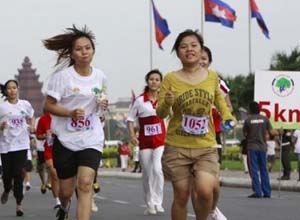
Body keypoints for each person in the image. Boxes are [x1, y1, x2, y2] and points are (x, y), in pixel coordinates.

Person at [156, 30, 234, 220]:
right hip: (177, 147)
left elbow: (220, 101)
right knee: (182, 195)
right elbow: (161, 113)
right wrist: (167, 101)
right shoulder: (170, 78)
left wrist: (227, 116)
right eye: (183, 46)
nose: (189, 49)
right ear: (177, 52)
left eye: (194, 45)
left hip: (205, 146)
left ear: (201, 50)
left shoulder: (212, 76)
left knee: (205, 190)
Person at [43, 25, 108, 220]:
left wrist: (103, 104)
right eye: (79, 49)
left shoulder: (100, 76)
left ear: (93, 50)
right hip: (65, 139)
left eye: (87, 48)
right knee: (65, 191)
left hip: (91, 136)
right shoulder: (62, 77)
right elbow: (48, 106)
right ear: (72, 53)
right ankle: (64, 206)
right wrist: (69, 113)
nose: (84, 52)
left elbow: (101, 106)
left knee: (86, 183)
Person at [127, 69, 166, 215]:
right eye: (151, 79)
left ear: (161, 82)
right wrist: (132, 135)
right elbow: (130, 119)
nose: (154, 82)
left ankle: (158, 202)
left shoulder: (164, 98)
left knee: (158, 169)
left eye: (157, 79)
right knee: (148, 173)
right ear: (147, 81)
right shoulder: (139, 100)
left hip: (160, 140)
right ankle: (149, 203)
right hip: (145, 141)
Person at [0, 79, 35, 216]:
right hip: (5, 145)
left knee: (18, 174)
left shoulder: (25, 104)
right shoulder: (2, 107)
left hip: (21, 144)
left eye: (14, 88)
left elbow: (31, 116)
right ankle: (7, 188)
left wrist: (31, 125)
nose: (12, 91)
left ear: (18, 89)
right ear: (6, 91)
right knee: (7, 175)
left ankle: (19, 204)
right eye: (9, 88)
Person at [243, 101, 276, 198]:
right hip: (262, 147)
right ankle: (267, 192)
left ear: (250, 109)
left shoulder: (248, 120)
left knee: (254, 170)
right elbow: (272, 132)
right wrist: (279, 132)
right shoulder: (265, 119)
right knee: (264, 169)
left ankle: (258, 191)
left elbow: (245, 133)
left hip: (252, 147)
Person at [36, 112, 61, 209]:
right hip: (49, 150)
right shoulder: (43, 119)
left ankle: (65, 196)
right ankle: (58, 200)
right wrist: (46, 136)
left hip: (64, 150)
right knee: (54, 174)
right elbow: (38, 135)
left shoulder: (63, 116)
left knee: (63, 176)